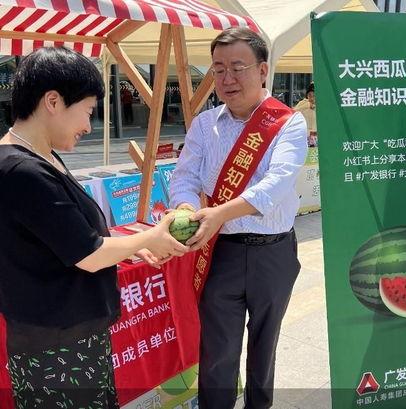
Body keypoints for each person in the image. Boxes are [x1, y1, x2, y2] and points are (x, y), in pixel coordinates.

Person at [0, 47, 188, 409]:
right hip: (55, 350)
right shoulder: (21, 171)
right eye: (87, 111)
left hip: (69, 336)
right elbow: (87, 253)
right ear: (52, 101)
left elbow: (67, 236)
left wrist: (133, 246)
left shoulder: (40, 157)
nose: (88, 126)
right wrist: (152, 236)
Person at [169, 28, 308, 409]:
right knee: (218, 352)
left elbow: (277, 184)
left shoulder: (289, 123)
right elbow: (184, 177)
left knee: (265, 347)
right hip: (221, 252)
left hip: (274, 253)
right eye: (218, 69)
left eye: (237, 67)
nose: (227, 78)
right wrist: (185, 209)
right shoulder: (204, 125)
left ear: (262, 70)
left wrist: (220, 213)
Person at [294, 82, 317, 147]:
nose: (312, 98)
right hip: (305, 136)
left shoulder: (321, 104)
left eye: (314, 96)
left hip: (317, 136)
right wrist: (307, 105)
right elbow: (293, 111)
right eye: (310, 95)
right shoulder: (303, 103)